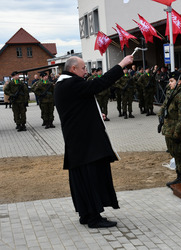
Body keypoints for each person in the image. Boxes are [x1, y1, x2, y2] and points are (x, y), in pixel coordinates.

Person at [54, 55, 133, 228]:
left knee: (82, 179)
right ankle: (94, 218)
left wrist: (96, 115)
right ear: (73, 69)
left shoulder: (62, 84)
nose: (86, 71)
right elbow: (99, 84)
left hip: (79, 143)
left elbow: (77, 108)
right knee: (91, 178)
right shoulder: (71, 83)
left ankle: (86, 213)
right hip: (85, 144)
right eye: (83, 68)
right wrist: (121, 65)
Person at [159, 71, 181, 187]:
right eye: (169, 81)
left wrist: (178, 133)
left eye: (172, 81)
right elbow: (164, 107)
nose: (169, 83)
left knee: (180, 154)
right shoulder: (171, 94)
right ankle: (179, 175)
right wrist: (160, 117)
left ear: (179, 82)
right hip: (169, 129)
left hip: (176, 131)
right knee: (174, 153)